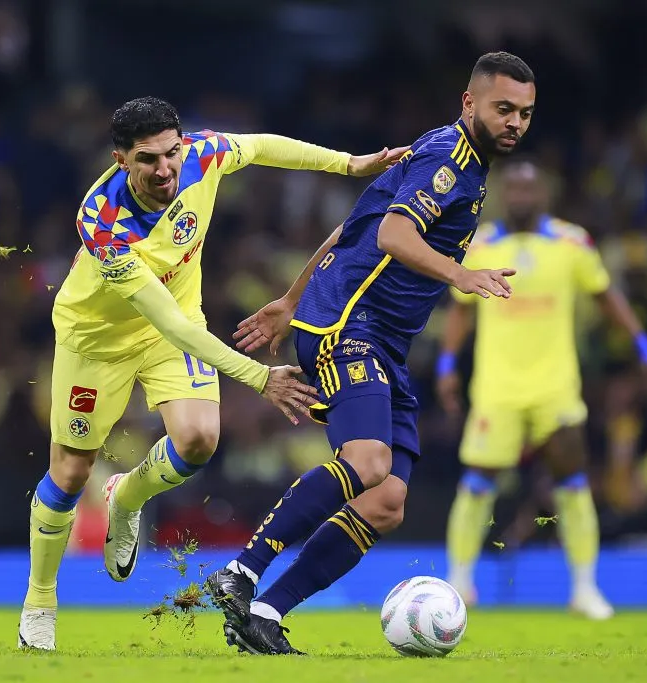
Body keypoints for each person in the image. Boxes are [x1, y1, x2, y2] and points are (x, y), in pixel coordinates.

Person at [18, 96, 408, 650]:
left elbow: (265, 147)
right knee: (69, 474)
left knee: (199, 439)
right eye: (148, 159)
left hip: (172, 330)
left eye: (171, 153)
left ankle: (127, 496)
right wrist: (259, 376)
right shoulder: (102, 222)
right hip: (98, 342)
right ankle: (39, 602)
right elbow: (171, 323)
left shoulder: (203, 154)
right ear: (121, 160)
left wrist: (348, 164)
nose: (165, 169)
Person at [204, 52, 535, 655]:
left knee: (385, 502)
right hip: (349, 325)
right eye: (503, 108)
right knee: (369, 460)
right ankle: (241, 570)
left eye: (525, 114)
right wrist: (460, 275)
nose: (515, 122)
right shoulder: (448, 159)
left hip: (382, 342)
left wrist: (289, 299)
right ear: (470, 103)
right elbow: (391, 234)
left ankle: (264, 614)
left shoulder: (460, 161)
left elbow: (353, 226)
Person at [437, 161, 647, 619]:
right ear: (503, 194)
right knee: (478, 479)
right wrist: (447, 365)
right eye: (514, 189)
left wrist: (643, 346)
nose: (521, 196)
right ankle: (460, 581)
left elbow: (605, 294)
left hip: (555, 387)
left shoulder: (571, 242)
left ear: (544, 194)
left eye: (530, 188)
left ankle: (584, 589)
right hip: (497, 387)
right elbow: (461, 309)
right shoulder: (480, 244)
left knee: (573, 480)